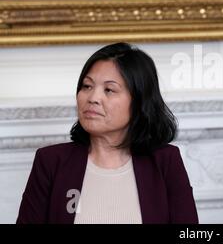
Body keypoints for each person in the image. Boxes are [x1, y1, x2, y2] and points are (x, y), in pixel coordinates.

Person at [17, 42, 198, 224]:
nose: (93, 98)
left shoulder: (165, 161)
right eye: (87, 86)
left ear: (139, 101)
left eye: (109, 90)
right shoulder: (50, 161)